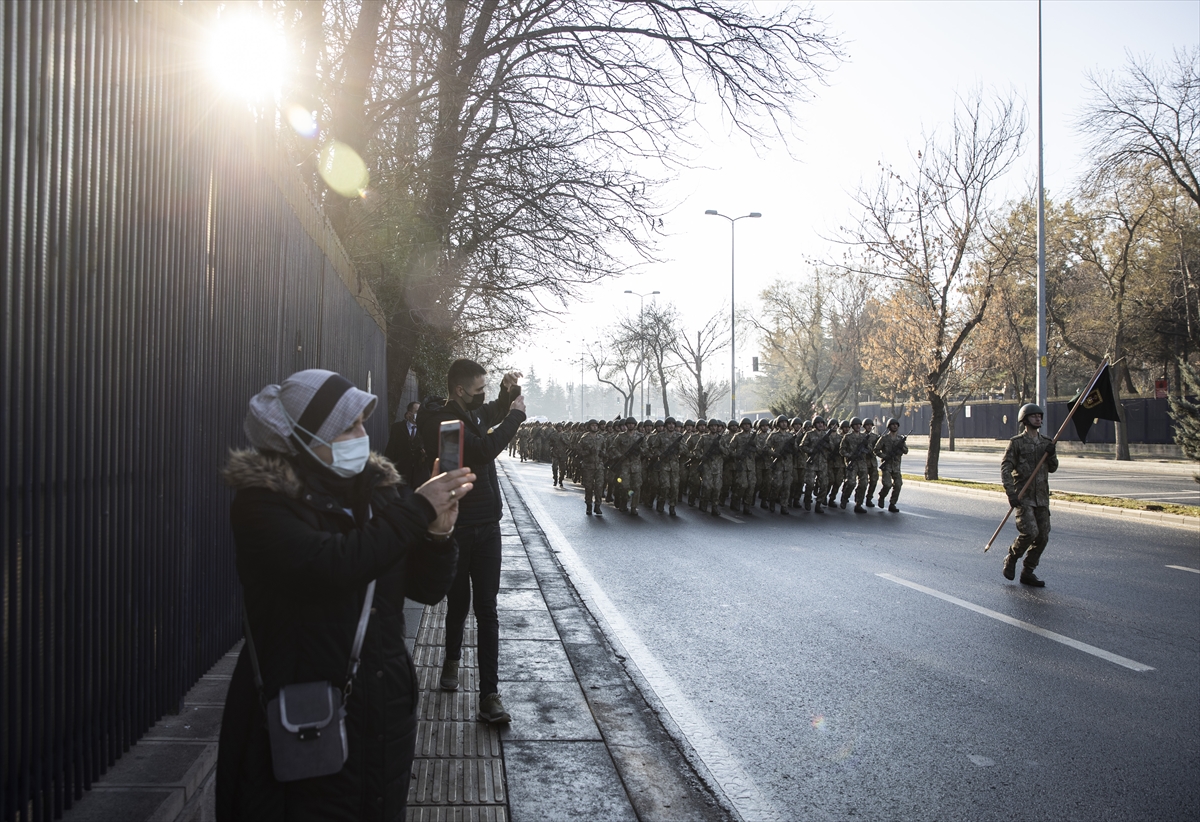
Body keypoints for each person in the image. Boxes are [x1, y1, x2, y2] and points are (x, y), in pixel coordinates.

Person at [217, 369, 475, 822]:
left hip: (382, 715)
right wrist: (417, 509)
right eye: (348, 427)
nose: (363, 435)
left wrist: (438, 534)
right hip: (301, 716)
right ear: (304, 436)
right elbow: (331, 565)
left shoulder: (378, 493)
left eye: (362, 423)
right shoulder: (263, 503)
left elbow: (425, 589)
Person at [418, 359, 526, 723]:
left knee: (487, 608)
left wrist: (506, 394)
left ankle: (489, 695)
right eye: (479, 389)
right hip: (461, 526)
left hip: (488, 527)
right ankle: (451, 659)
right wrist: (516, 416)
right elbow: (482, 450)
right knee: (458, 602)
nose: (484, 395)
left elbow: (489, 413)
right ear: (461, 390)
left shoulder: (472, 412)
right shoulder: (445, 425)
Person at [1000, 403, 1059, 587]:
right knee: (1030, 532)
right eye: (1034, 416)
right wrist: (1011, 493)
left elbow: (1053, 468)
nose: (1038, 419)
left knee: (1043, 536)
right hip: (1023, 496)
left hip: (1041, 497)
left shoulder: (1047, 442)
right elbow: (1006, 467)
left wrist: (1051, 454)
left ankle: (1028, 571)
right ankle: (1012, 556)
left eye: (1040, 416)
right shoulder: (1016, 442)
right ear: (1025, 420)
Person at [383, 401, 427, 487]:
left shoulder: (425, 429)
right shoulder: (397, 428)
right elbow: (391, 450)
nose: (419, 415)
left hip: (420, 476)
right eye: (417, 412)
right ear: (409, 413)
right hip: (402, 475)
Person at [874, 418, 909, 512]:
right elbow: (876, 450)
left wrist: (901, 447)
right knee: (887, 484)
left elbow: (906, 451)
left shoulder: (900, 439)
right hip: (887, 466)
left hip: (896, 466)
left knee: (898, 484)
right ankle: (881, 496)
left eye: (896, 424)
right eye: (893, 424)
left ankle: (892, 504)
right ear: (889, 426)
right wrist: (884, 456)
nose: (895, 426)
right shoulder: (884, 438)